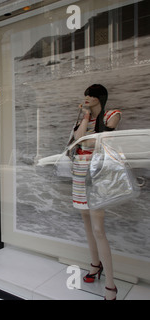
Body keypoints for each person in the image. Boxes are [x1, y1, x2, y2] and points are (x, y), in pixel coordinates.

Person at [72, 84, 121, 300]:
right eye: (85, 95)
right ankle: (94, 265)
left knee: (99, 228)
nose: (87, 98)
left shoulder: (113, 115)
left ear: (99, 97)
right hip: (80, 172)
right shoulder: (84, 117)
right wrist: (84, 116)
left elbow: (99, 142)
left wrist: (86, 138)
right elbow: (79, 139)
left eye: (91, 95)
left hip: (99, 172)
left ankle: (111, 284)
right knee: (86, 223)